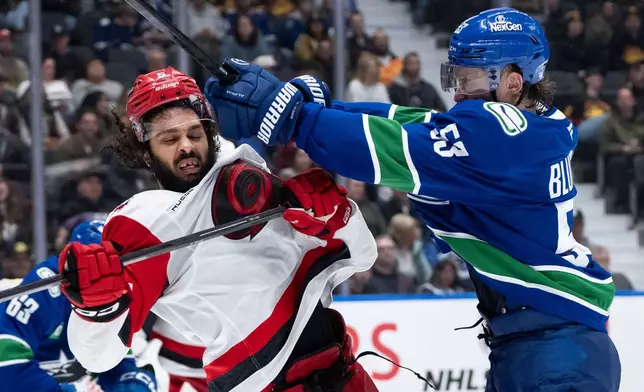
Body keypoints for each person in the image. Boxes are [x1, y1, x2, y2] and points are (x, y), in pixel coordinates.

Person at [204, 7, 621, 391]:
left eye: (470, 79)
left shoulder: (502, 132)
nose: (458, 92)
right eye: (454, 76)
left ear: (513, 81)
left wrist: (300, 119)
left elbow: (395, 147)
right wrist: (329, 108)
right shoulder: (527, 125)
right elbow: (414, 122)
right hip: (540, 342)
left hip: (556, 351)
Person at [57, 67, 378, 392]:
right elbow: (96, 357)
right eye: (169, 139)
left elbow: (364, 254)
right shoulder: (146, 224)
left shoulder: (247, 174)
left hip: (344, 372)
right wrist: (97, 307)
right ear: (145, 151)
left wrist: (333, 213)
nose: (185, 146)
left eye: (194, 134)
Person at [0, 220, 157, 391]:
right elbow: (5, 362)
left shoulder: (123, 294)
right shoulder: (45, 289)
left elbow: (116, 365)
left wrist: (132, 383)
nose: (106, 278)